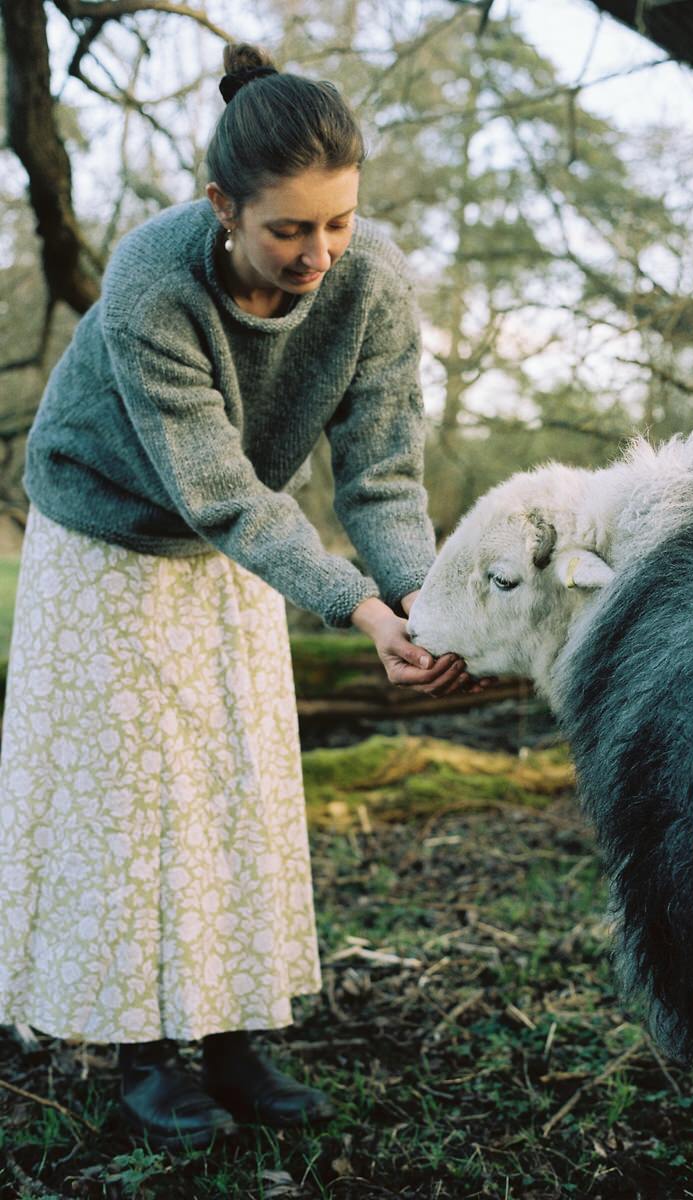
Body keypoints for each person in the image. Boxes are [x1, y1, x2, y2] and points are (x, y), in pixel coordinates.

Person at [0, 42, 476, 1150]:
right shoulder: (151, 276)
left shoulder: (369, 287)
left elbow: (381, 474)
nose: (321, 254)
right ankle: (141, 1055)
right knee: (127, 797)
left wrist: (416, 603)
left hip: (243, 543)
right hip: (108, 531)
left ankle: (230, 1037)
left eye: (341, 223)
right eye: (290, 229)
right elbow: (216, 487)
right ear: (223, 205)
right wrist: (352, 606)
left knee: (235, 777)